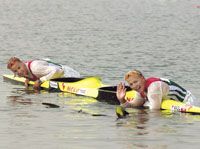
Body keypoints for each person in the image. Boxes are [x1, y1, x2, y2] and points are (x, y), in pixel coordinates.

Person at [116, 69, 197, 110]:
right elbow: (133, 105)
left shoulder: (154, 88)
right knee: (144, 104)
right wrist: (122, 100)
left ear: (143, 78)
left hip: (188, 101)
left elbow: (155, 111)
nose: (134, 86)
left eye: (135, 81)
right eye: (131, 84)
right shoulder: (140, 90)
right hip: (172, 101)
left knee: (146, 105)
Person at [7, 57, 80, 89]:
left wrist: (40, 80)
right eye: (15, 71)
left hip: (68, 74)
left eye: (19, 68)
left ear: (23, 62)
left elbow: (58, 71)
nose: (19, 72)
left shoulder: (35, 68)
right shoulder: (24, 70)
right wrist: (28, 78)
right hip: (57, 77)